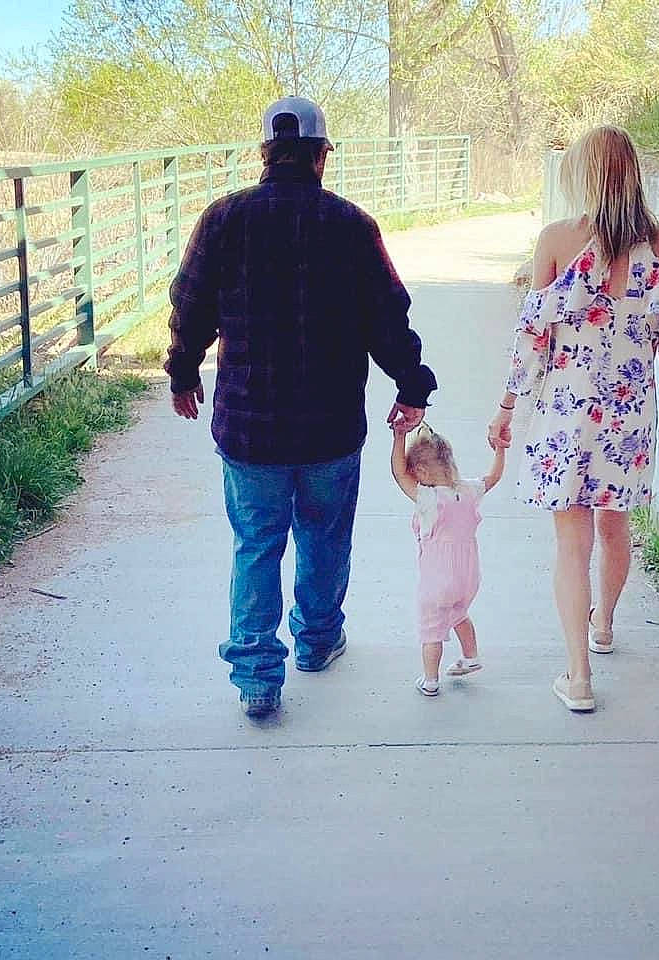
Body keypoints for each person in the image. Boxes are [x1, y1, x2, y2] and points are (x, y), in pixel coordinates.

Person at [165, 96, 437, 719]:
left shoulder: (222, 218)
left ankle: (259, 676)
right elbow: (387, 317)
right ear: (321, 157)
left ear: (264, 155)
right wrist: (411, 384)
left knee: (256, 543)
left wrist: (183, 372)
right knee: (324, 534)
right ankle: (316, 642)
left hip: (248, 426)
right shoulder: (352, 225)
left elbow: (191, 305)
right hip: (331, 427)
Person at [488, 125, 659, 713]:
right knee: (614, 527)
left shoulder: (556, 239)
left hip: (566, 414)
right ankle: (603, 625)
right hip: (629, 415)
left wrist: (507, 407)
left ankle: (578, 677)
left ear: (583, 175)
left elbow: (533, 337)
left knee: (570, 541)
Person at [390, 422, 505, 696]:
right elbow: (494, 476)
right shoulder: (468, 490)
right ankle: (471, 656)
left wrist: (399, 437)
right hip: (469, 577)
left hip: (438, 580)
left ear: (420, 471)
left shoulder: (428, 498)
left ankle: (430, 680)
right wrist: (500, 450)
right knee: (459, 613)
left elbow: (398, 473)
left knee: (431, 630)